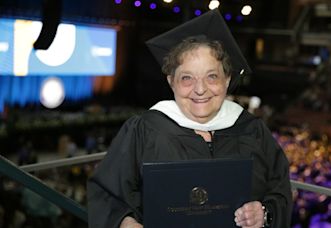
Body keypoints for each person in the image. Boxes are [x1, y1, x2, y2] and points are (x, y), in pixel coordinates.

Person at [87, 9, 292, 228]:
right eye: (187, 78)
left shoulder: (253, 131)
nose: (200, 89)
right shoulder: (144, 130)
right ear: (171, 81)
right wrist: (124, 222)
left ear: (227, 79)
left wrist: (265, 213)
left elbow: (280, 193)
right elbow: (105, 194)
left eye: (212, 76)